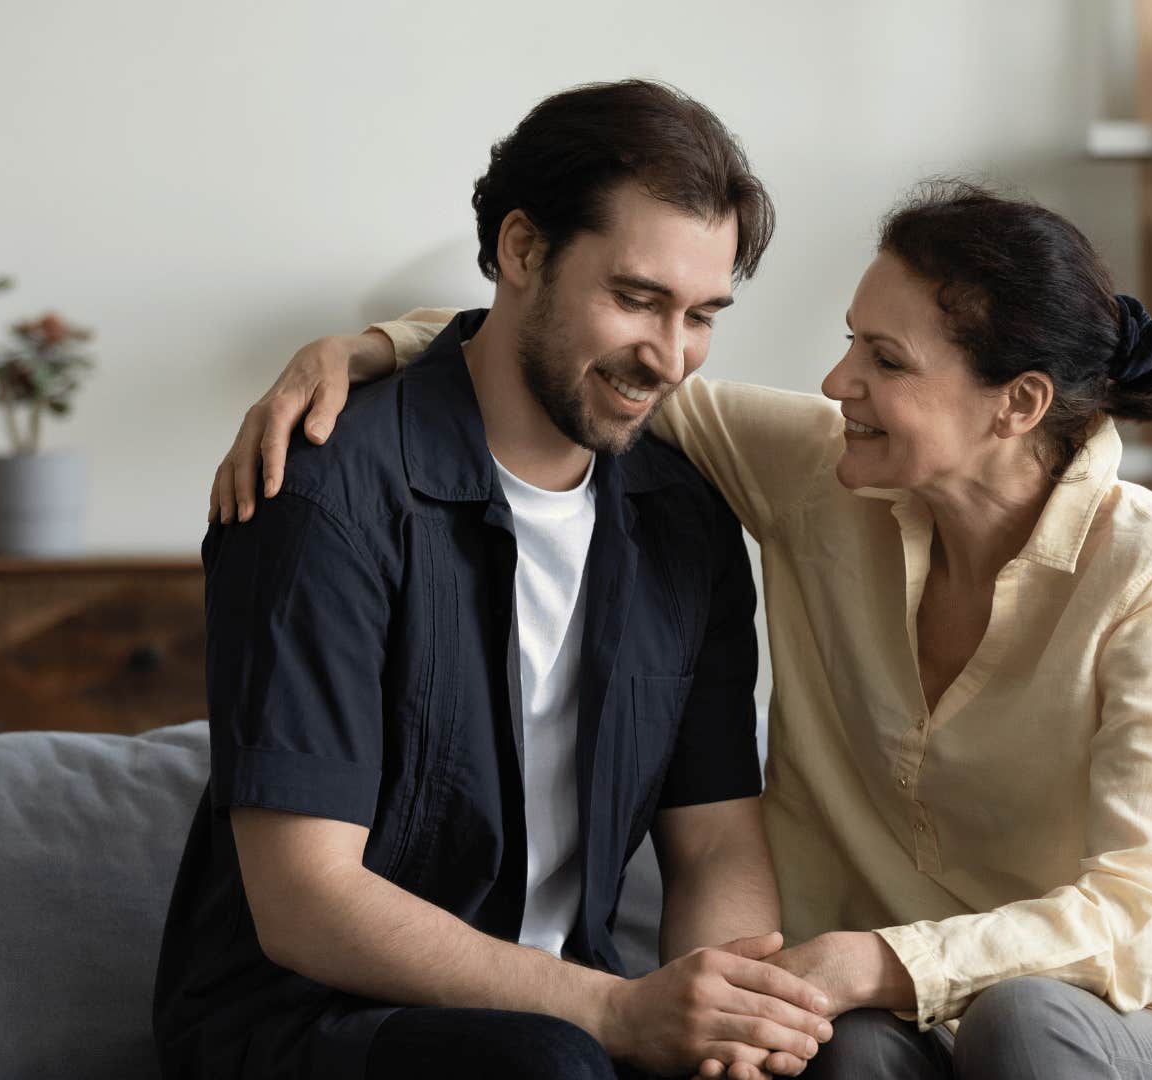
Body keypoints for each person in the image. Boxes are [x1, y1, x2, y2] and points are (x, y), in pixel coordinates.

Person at [216, 182, 1152, 1080]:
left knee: (1023, 1024)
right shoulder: (826, 476)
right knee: (843, 1057)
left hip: (1125, 1024)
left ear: (1016, 405)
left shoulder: (1148, 578)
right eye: (848, 343)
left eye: (886, 361)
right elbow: (608, 370)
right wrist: (363, 351)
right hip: (893, 1019)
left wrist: (874, 960)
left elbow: (1141, 912)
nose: (837, 383)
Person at [154, 79, 845, 1080]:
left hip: (573, 1017)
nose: (670, 357)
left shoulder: (685, 519)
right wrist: (618, 1013)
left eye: (702, 315)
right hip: (312, 1028)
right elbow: (306, 902)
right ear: (522, 251)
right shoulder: (324, 494)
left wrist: (720, 1030)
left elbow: (717, 846)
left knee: (835, 1058)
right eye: (636, 299)